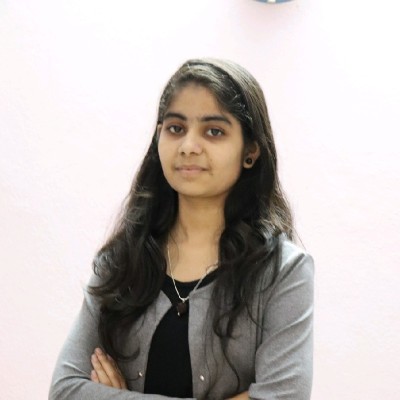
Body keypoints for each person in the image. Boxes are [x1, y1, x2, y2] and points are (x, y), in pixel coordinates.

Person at [49, 58, 314, 400]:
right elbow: (65, 390)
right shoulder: (122, 259)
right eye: (175, 128)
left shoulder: (284, 271)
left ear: (250, 151)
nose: (188, 146)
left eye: (214, 131)